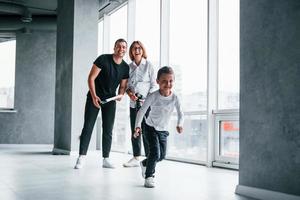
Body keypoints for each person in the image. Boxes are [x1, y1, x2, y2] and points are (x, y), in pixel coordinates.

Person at [74, 38, 129, 169]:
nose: (121, 49)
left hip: (110, 101)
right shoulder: (103, 59)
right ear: (114, 48)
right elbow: (91, 78)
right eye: (119, 46)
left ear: (125, 50)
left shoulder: (125, 67)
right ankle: (81, 157)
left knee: (108, 129)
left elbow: (123, 86)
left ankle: (106, 158)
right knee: (88, 127)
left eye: (124, 47)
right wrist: (93, 96)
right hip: (95, 97)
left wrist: (120, 95)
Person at [134, 66, 184, 188]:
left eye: (171, 81)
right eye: (164, 81)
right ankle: (149, 177)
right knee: (155, 153)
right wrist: (137, 126)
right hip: (150, 127)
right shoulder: (153, 95)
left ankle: (145, 164)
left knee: (161, 156)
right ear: (157, 81)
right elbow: (141, 112)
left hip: (163, 130)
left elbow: (181, 113)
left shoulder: (175, 97)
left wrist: (180, 124)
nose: (168, 84)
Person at [123, 41, 157, 167]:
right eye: (134, 48)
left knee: (147, 131)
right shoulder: (128, 67)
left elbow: (154, 85)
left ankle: (149, 158)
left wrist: (147, 99)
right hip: (133, 104)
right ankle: (136, 157)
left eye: (139, 48)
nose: (137, 50)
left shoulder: (149, 65)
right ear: (131, 51)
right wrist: (129, 93)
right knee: (135, 130)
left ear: (142, 50)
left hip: (147, 105)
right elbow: (126, 86)